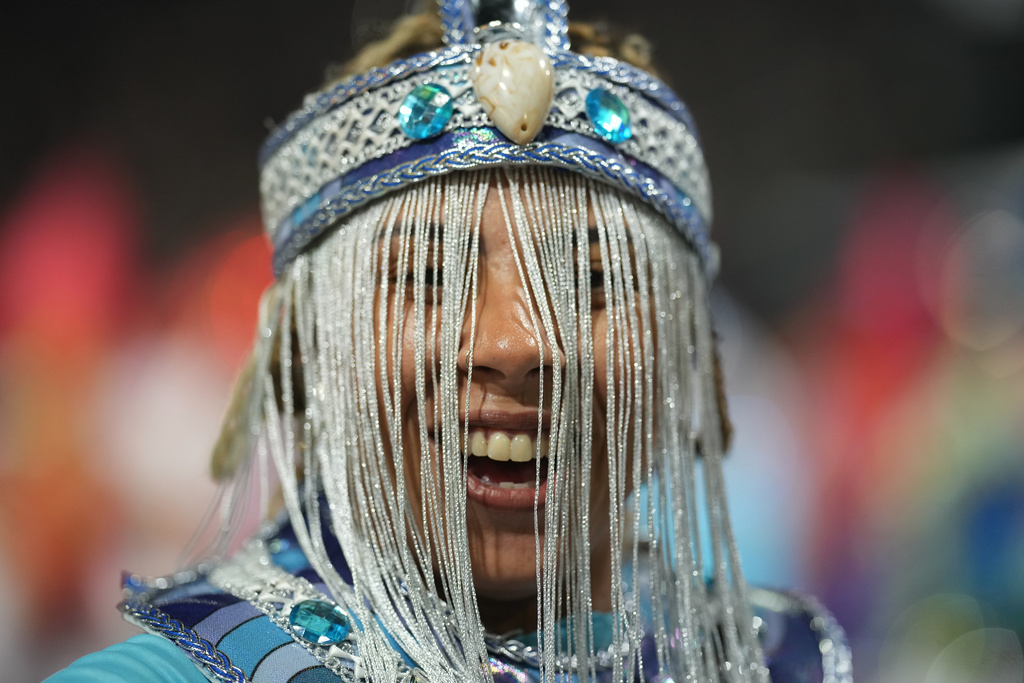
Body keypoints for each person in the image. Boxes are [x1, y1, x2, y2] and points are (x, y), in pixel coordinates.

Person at [48, 2, 850, 681]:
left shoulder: (772, 662)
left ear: (691, 350)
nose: (518, 341)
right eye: (430, 274)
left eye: (591, 280)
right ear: (306, 343)